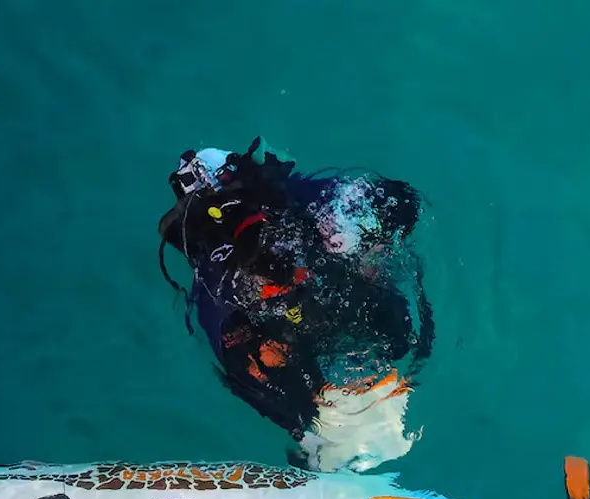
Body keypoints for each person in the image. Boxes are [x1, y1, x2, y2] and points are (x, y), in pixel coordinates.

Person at [157, 138, 434, 471]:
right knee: (393, 332)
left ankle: (319, 438)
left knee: (276, 358)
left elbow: (231, 353)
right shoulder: (293, 198)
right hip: (325, 320)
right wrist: (362, 241)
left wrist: (300, 423)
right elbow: (400, 203)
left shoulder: (213, 274)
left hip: (296, 338)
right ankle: (322, 431)